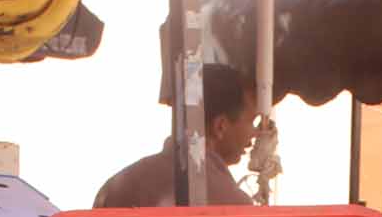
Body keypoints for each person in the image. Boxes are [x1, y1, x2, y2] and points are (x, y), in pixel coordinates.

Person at [93, 63, 259, 208]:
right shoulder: (233, 205)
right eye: (252, 121)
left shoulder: (115, 186)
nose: (255, 132)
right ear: (220, 126)